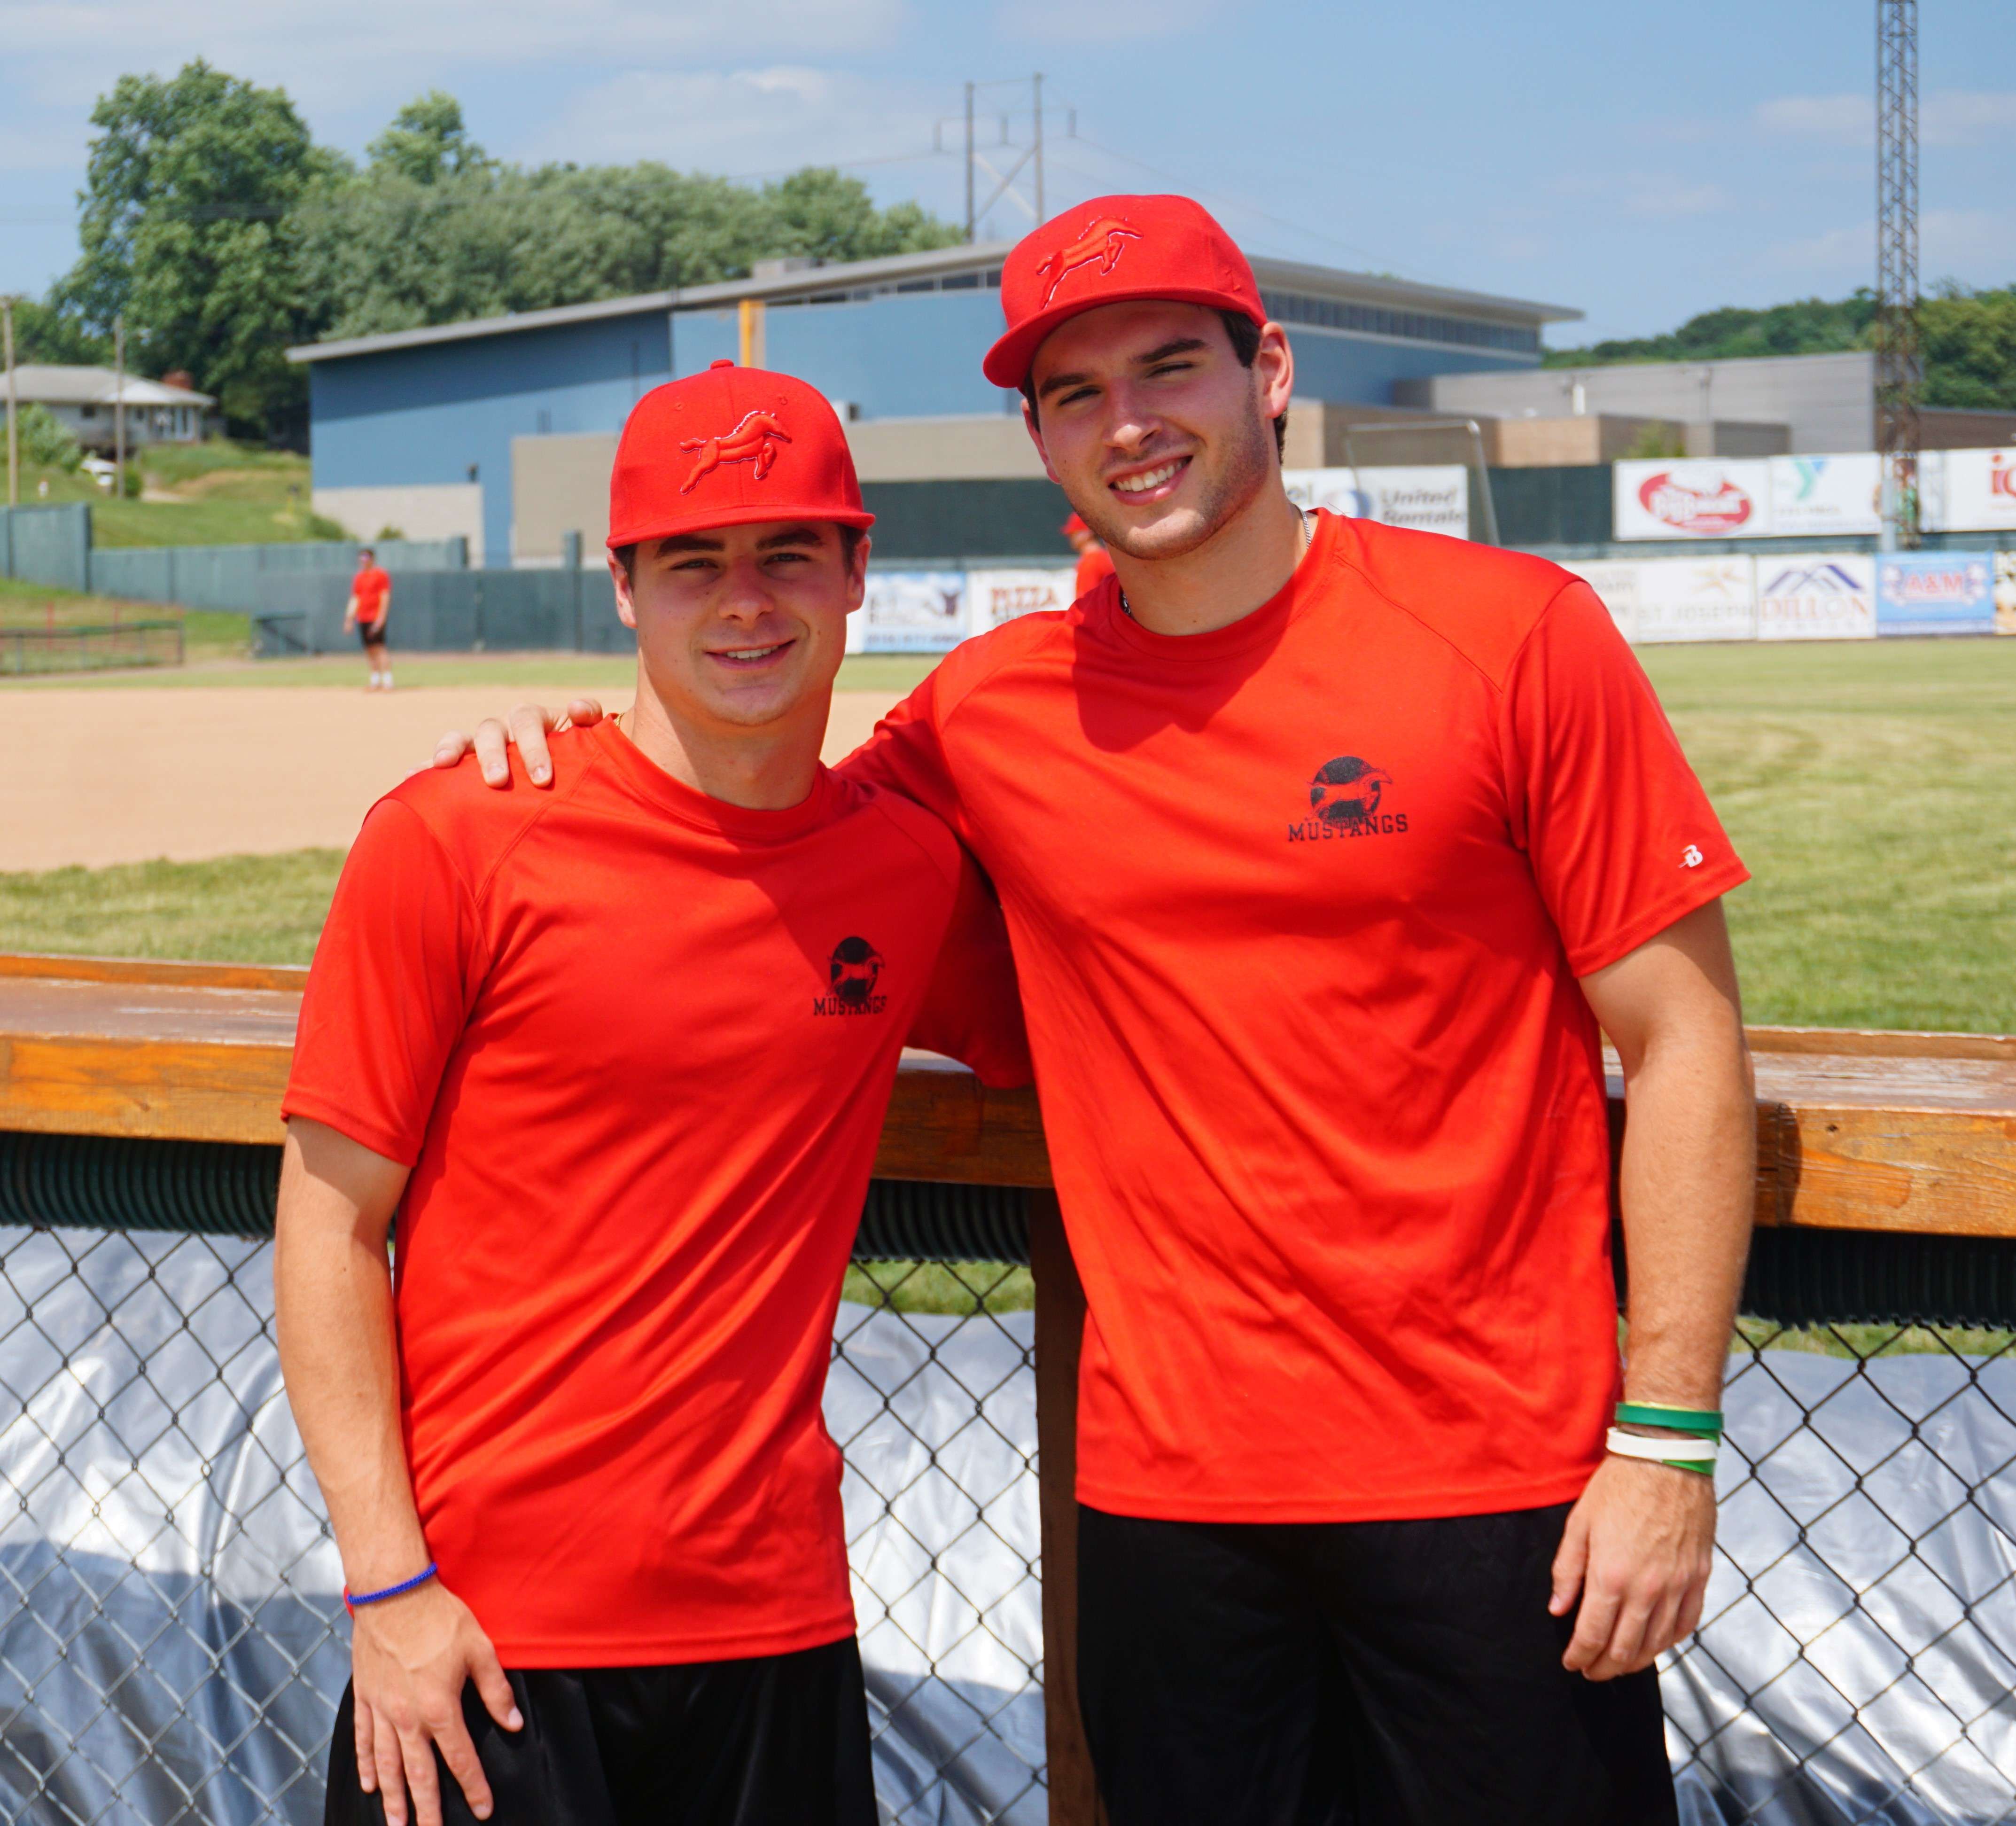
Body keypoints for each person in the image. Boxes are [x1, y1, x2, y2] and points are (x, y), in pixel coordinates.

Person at [440, 195, 1756, 1826]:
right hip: (1167, 1507)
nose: (1130, 423)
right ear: (1038, 434)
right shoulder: (994, 709)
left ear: (1265, 369)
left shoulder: (1510, 636)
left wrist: (1669, 1438)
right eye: (1077, 392)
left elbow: (1684, 1034)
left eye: (1169, 367)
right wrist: (567, 746)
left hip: (1502, 1487)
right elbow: (760, 822)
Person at [277, 360, 1027, 1826]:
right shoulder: (455, 835)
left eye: (786, 553)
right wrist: (388, 1583)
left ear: (856, 569)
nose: (744, 601)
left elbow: (1106, 1001)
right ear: (625, 587)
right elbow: (324, 1228)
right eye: (694, 563)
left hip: (772, 1624)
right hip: (481, 1639)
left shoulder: (906, 866)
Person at [343, 548, 394, 690]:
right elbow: (356, 598)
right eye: (362, 559)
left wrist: (382, 616)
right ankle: (375, 680)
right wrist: (349, 618)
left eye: (366, 559)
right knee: (369, 649)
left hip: (375, 617)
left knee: (379, 648)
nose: (363, 562)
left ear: (372, 559)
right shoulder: (359, 578)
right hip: (363, 618)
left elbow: (385, 596)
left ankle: (388, 680)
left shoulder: (380, 575)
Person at [1062, 511, 1114, 600]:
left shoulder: (1091, 561)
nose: (1071, 537)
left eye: (1074, 533)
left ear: (1087, 533)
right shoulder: (1105, 557)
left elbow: (1086, 601)